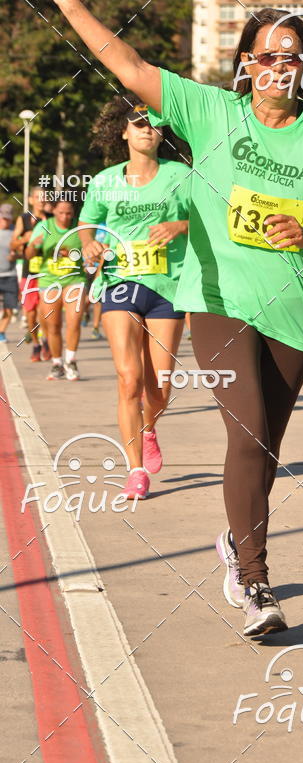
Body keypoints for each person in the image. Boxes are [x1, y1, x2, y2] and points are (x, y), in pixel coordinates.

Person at [41, 0, 303, 636]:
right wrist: (71, 4)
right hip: (216, 301)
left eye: (291, 56)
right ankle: (255, 581)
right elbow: (129, 66)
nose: (277, 66)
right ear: (246, 64)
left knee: (262, 451)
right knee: (247, 431)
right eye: (265, 54)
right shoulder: (210, 112)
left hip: (294, 313)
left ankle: (233, 538)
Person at [78, 96, 190, 500]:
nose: (147, 129)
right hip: (121, 284)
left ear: (162, 134)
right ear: (124, 130)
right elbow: (87, 227)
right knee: (129, 379)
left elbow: (213, 218)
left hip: (168, 287)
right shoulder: (104, 180)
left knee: (159, 386)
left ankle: (149, 428)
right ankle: (135, 471)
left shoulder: (180, 175)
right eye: (139, 123)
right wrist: (90, 246)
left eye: (155, 124)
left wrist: (181, 225)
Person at [24, 198, 86, 380]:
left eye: (68, 213)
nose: (65, 217)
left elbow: (90, 250)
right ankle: (57, 363)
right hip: (50, 281)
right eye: (61, 213)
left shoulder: (80, 227)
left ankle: (71, 360)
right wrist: (34, 245)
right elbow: (28, 254)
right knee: (53, 324)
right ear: (54, 212)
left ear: (73, 213)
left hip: (75, 279)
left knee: (74, 321)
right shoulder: (44, 226)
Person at [11, 187, 51, 361]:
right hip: (29, 272)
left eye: (44, 197)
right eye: (38, 197)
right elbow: (13, 244)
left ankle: (46, 341)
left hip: (48, 271)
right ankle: (35, 343)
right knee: (30, 312)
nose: (41, 200)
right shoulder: (24, 219)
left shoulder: (52, 219)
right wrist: (24, 240)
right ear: (31, 200)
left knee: (46, 311)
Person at [0, 204, 18, 343]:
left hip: (10, 275)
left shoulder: (14, 233)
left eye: (8, 219)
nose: (6, 221)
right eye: (3, 218)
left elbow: (22, 253)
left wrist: (15, 255)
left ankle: (1, 332)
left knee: (9, 307)